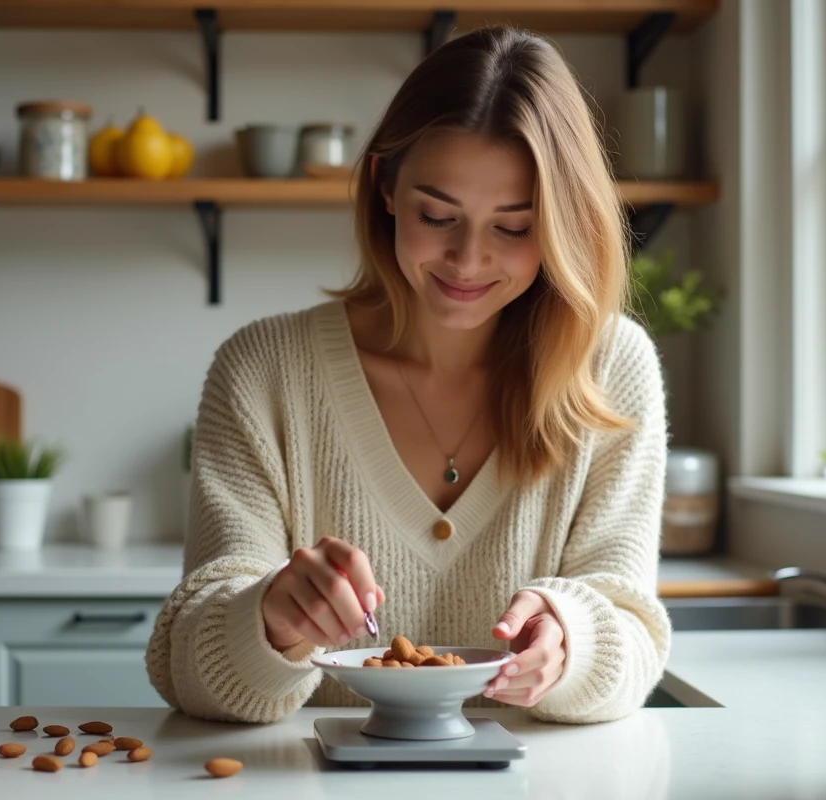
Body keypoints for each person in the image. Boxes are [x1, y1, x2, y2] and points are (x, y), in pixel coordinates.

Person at [145, 24, 671, 726]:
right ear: (385, 186)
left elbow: (633, 632)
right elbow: (189, 666)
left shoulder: (611, 367)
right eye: (437, 214)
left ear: (558, 226)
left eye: (512, 228)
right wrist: (269, 618)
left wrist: (572, 639)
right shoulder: (262, 371)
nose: (467, 260)